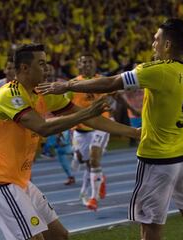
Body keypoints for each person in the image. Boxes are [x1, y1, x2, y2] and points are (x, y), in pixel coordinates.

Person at [37, 19, 183, 240]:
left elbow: (111, 83)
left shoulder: (158, 71)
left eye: (157, 40)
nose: (153, 44)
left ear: (167, 45)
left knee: (149, 227)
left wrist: (66, 85)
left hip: (158, 159)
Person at [0, 44, 139, 240]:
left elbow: (91, 119)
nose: (47, 69)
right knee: (34, 238)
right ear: (25, 68)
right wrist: (87, 112)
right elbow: (43, 127)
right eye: (42, 64)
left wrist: (134, 133)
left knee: (59, 236)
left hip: (20, 181)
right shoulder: (9, 94)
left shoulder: (42, 94)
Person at [68, 53, 112, 210]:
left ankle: (93, 198)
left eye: (89, 61)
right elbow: (66, 109)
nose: (86, 64)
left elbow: (114, 95)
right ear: (78, 66)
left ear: (95, 64)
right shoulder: (72, 84)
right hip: (80, 130)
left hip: (101, 126)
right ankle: (98, 178)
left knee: (94, 159)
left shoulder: (103, 81)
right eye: (83, 62)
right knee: (85, 163)